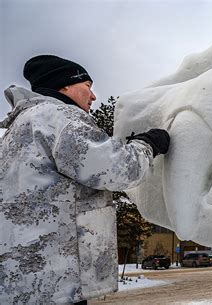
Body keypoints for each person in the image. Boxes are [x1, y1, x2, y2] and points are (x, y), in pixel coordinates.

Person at [0, 55, 170, 304]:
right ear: (65, 86)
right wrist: (148, 144)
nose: (93, 96)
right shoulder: (59, 119)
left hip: (21, 279)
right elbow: (118, 169)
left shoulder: (17, 130)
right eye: (88, 87)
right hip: (55, 280)